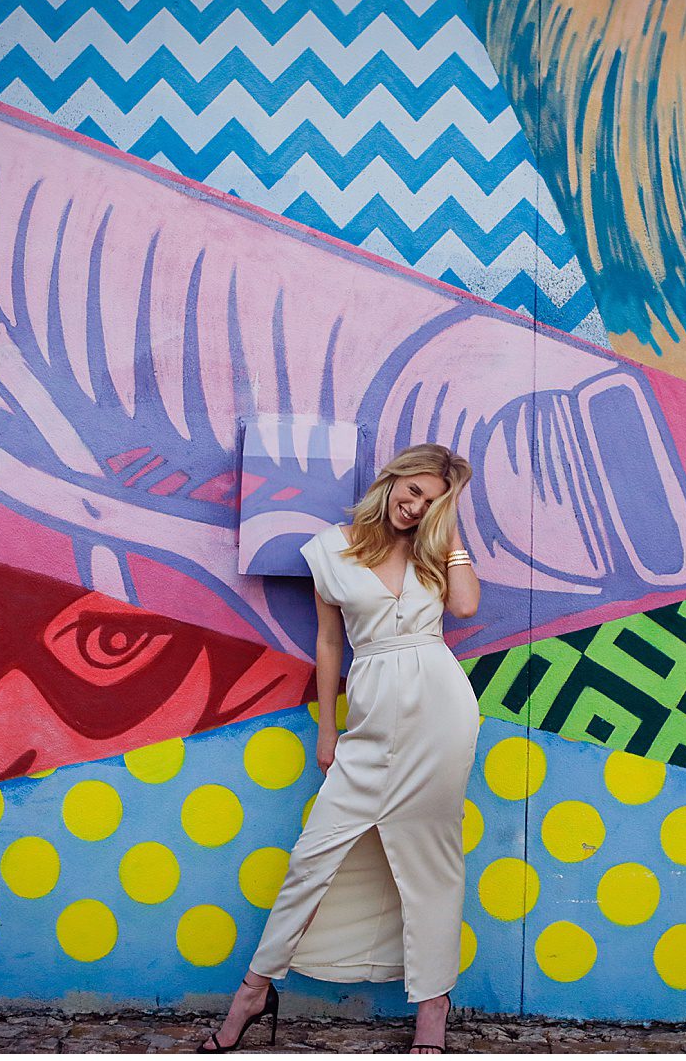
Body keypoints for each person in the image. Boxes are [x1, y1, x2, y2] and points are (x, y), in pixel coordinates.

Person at [199, 444, 482, 1054]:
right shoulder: (330, 549)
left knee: (433, 861)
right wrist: (328, 729)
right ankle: (254, 990)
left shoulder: (433, 548)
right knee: (312, 857)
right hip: (371, 713)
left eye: (431, 502)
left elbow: (464, 605)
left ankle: (433, 1006)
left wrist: (449, 523)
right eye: (413, 491)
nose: (415, 507)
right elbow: (330, 644)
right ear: (392, 480)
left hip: (440, 713)